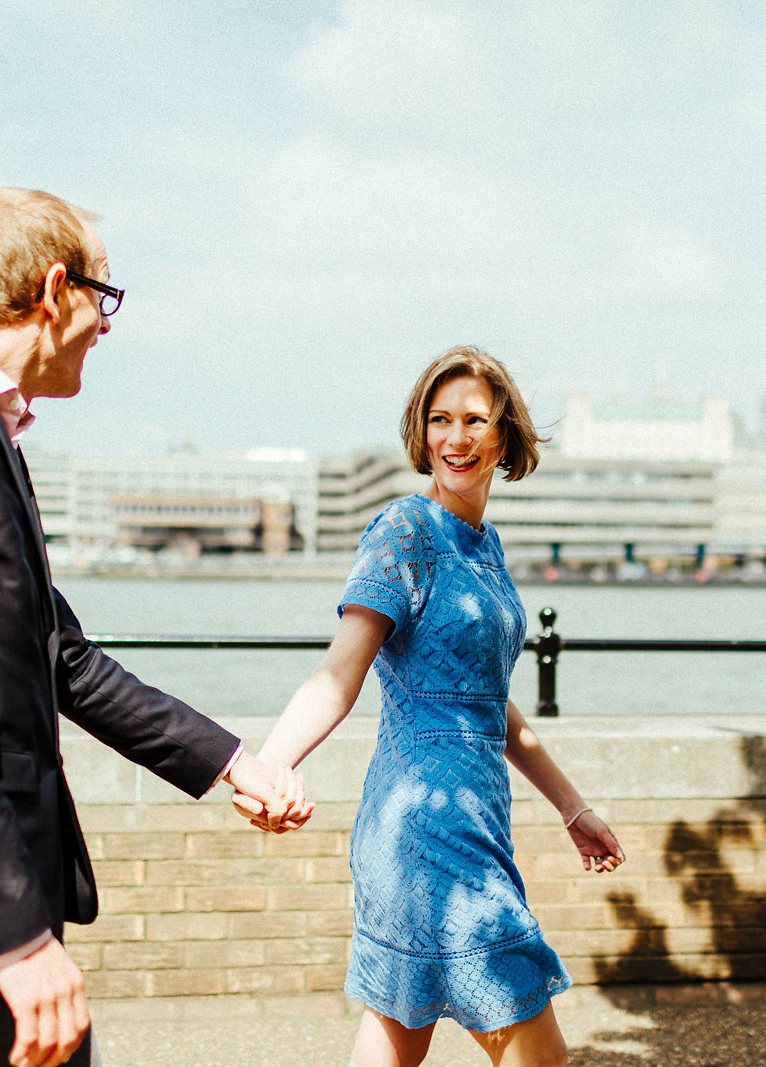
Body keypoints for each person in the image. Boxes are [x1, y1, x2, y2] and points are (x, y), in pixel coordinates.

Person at [0, 187, 310, 1067]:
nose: (107, 324)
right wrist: (10, 936)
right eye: (103, 295)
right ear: (54, 290)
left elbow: (62, 659)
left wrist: (232, 762)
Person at [239, 346, 625, 1067]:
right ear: (421, 433)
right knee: (537, 1050)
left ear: (505, 437)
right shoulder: (404, 532)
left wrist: (574, 809)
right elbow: (338, 674)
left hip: (476, 815)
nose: (457, 437)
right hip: (424, 823)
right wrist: (267, 765)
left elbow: (489, 700)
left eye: (476, 420)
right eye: (440, 419)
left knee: (396, 1035)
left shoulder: (485, 546)